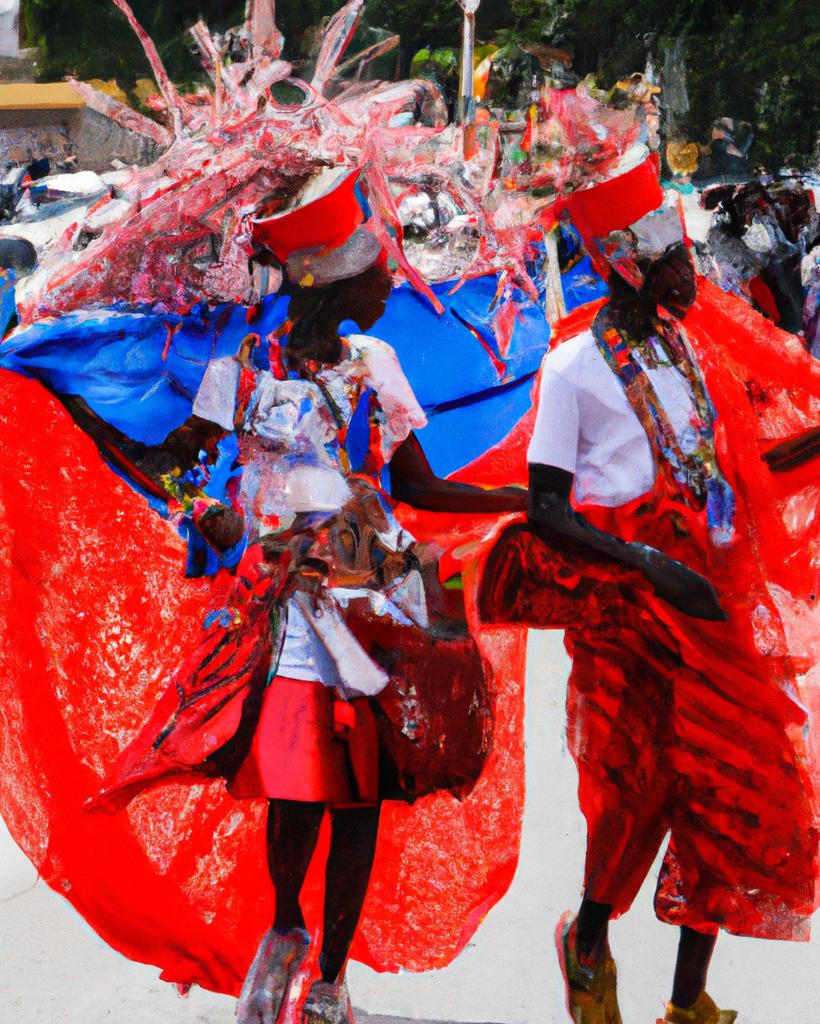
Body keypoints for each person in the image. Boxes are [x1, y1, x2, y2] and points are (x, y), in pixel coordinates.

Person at [71, 228, 526, 1024]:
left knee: (365, 789)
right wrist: (204, 510)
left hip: (378, 589)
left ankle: (332, 981)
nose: (390, 286)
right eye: (376, 273)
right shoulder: (244, 369)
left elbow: (416, 481)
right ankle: (286, 925)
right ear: (331, 285)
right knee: (298, 780)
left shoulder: (375, 363)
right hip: (287, 599)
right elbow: (172, 463)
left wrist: (523, 503)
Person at [494, 242, 820, 1024]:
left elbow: (743, 460)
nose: (692, 279)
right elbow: (547, 510)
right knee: (632, 792)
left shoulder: (688, 347)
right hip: (626, 612)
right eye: (675, 264)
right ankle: (589, 939)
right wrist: (645, 563)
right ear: (625, 269)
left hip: (711, 598)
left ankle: (686, 1006)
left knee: (733, 788)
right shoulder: (573, 365)